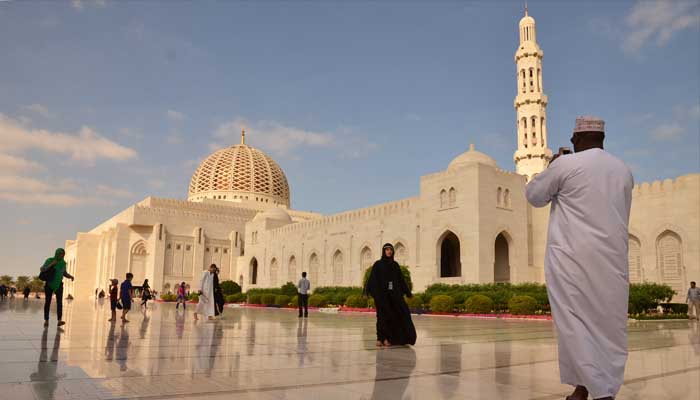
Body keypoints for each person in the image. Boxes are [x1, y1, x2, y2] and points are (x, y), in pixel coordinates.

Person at [526, 116, 634, 400]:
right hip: (612, 261)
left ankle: (600, 392)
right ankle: (585, 387)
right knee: (608, 326)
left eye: (574, 139)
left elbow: (535, 196)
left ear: (578, 139)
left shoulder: (566, 164)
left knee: (575, 324)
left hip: (572, 258)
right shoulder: (623, 170)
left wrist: (552, 166)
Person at [363, 243, 416, 347]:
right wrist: (367, 292)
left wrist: (408, 293)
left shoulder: (395, 265)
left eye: (390, 250)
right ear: (384, 251)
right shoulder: (378, 264)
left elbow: (400, 280)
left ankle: (387, 338)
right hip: (380, 296)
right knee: (380, 317)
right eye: (387, 250)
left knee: (389, 317)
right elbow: (372, 279)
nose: (389, 251)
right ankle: (379, 338)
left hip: (391, 296)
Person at [40, 248, 75, 327]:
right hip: (49, 284)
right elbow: (42, 269)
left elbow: (64, 273)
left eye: (63, 254)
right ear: (56, 253)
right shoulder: (49, 260)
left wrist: (70, 276)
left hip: (59, 285)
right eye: (60, 254)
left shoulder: (63, 263)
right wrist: (51, 264)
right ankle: (46, 320)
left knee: (59, 303)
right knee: (47, 302)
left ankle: (59, 320)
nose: (62, 255)